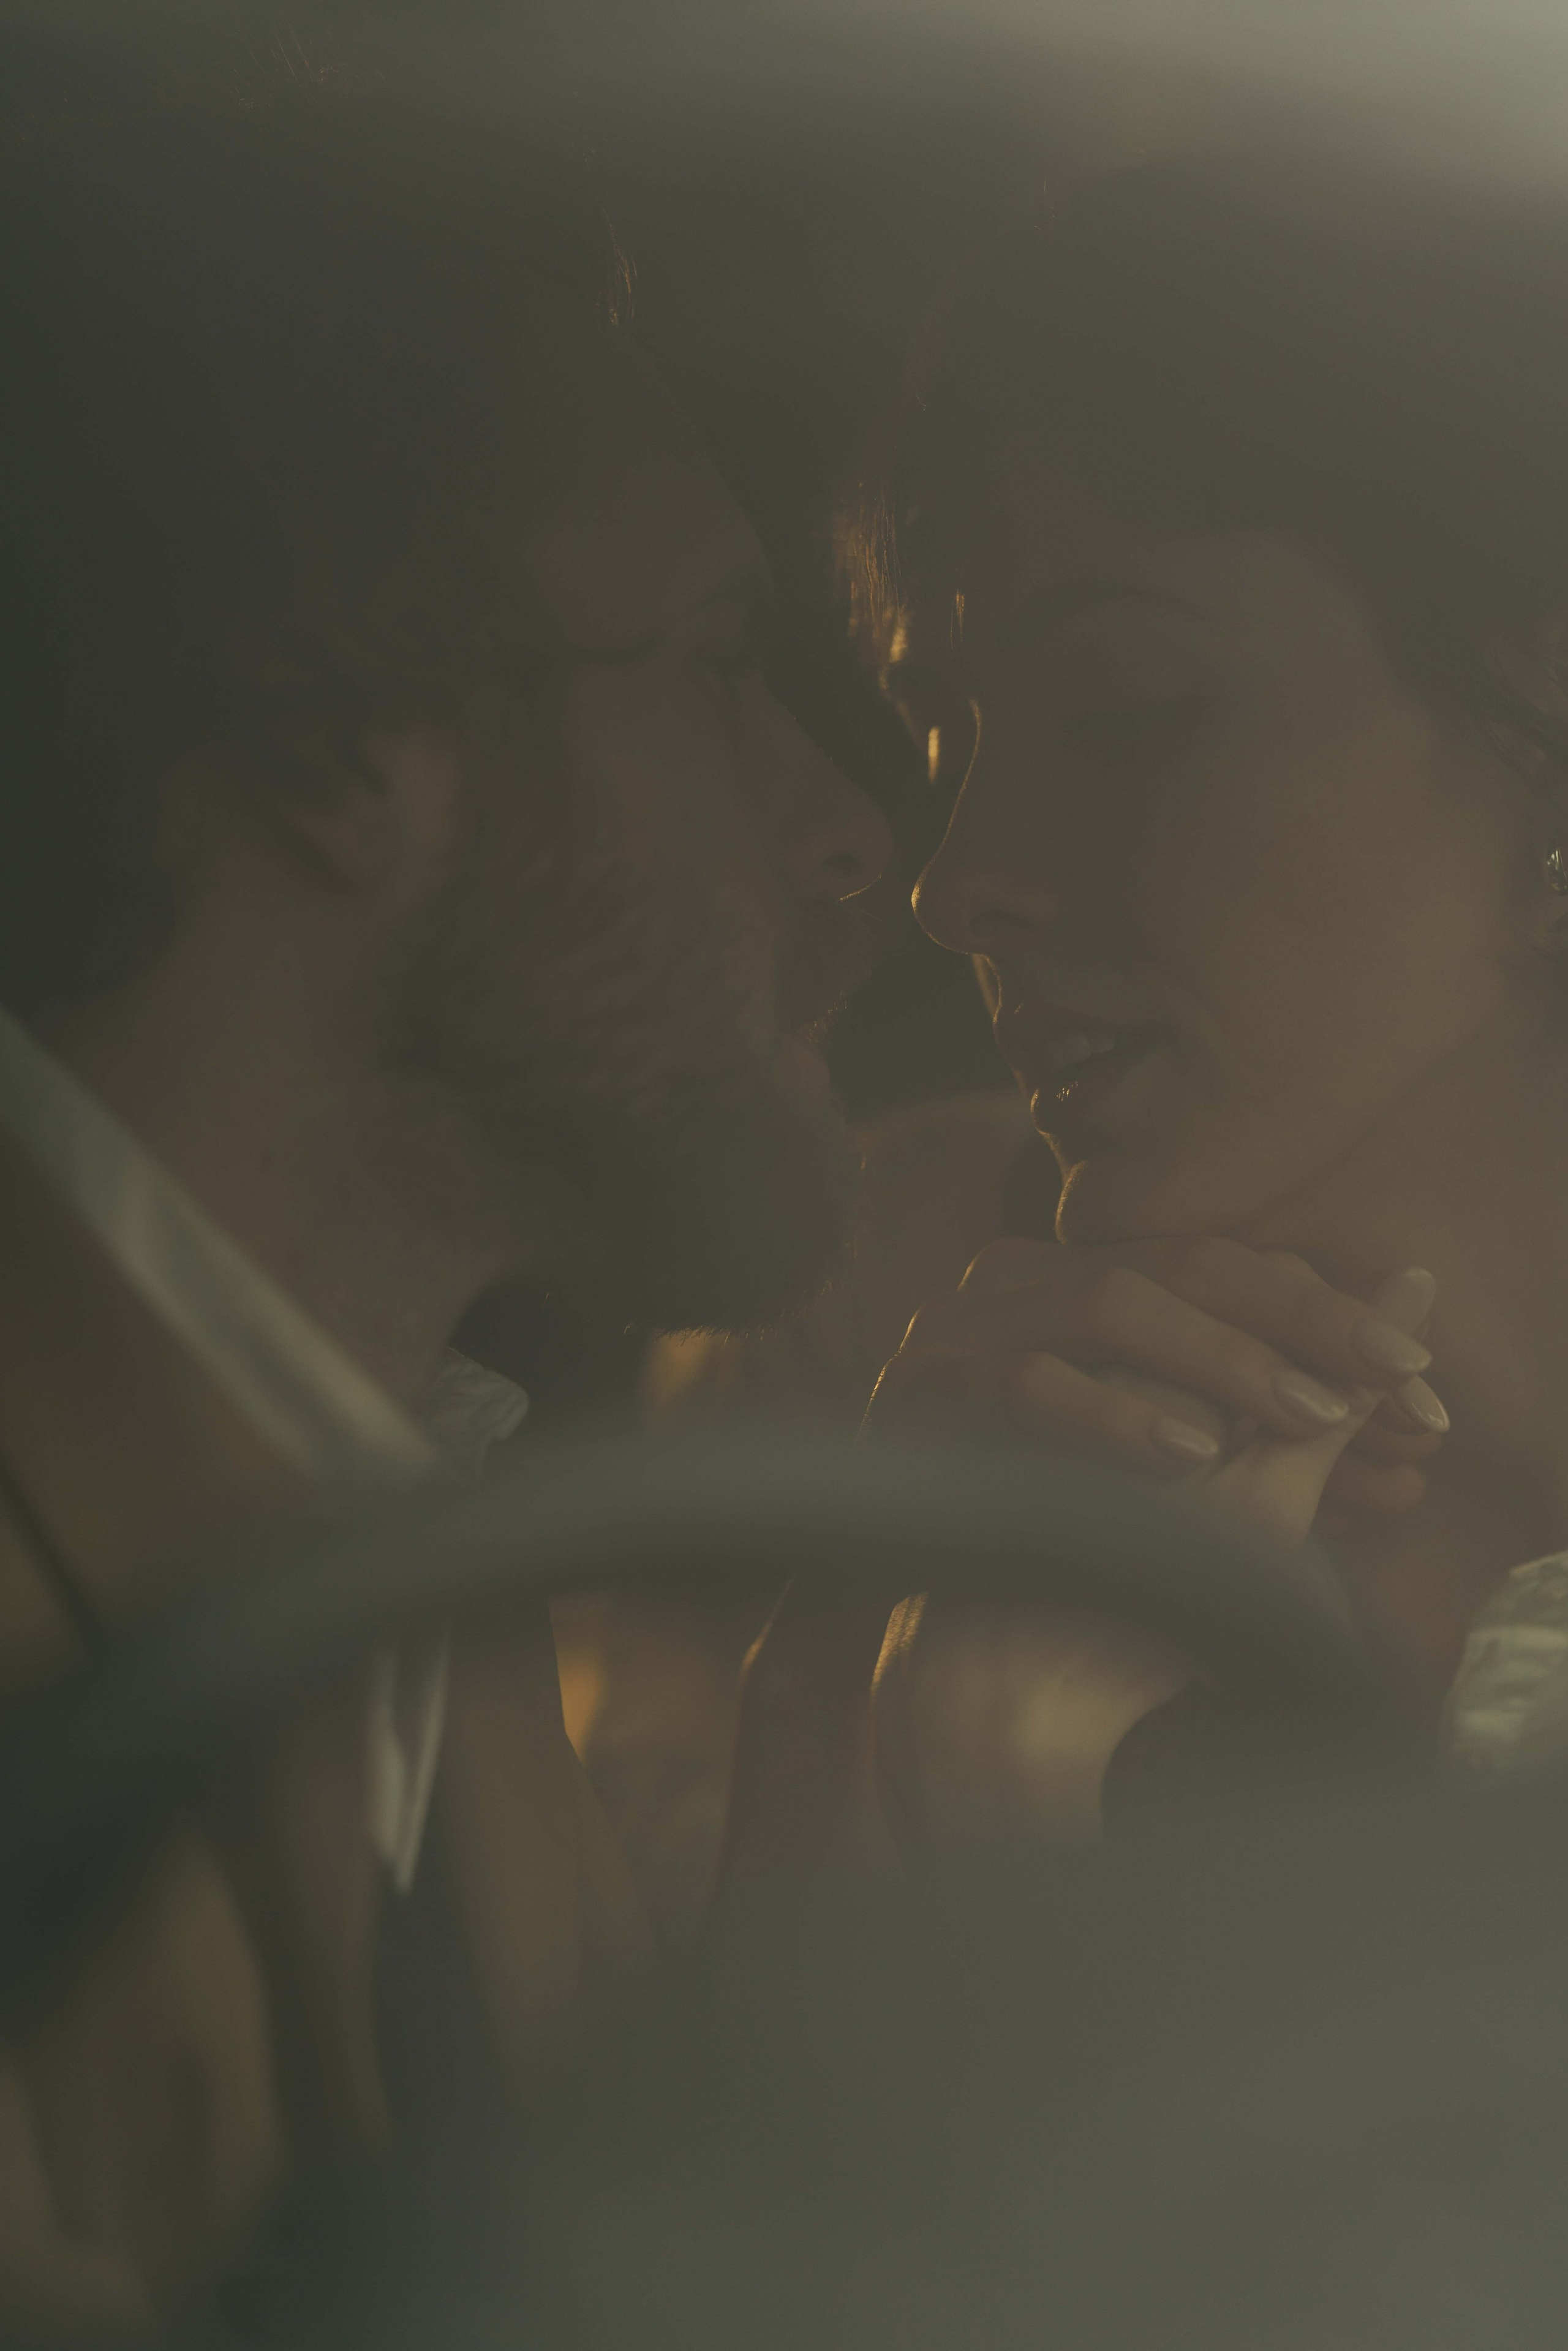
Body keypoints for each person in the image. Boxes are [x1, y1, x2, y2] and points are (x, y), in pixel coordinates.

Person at [0, 73, 890, 2328]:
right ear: (335, 728)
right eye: (712, 668)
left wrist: (863, 1829)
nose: (849, 829)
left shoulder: (398, 1561)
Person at [832, 151, 1568, 1803]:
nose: (954, 884)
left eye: (1124, 712)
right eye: (946, 739)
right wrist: (877, 1729)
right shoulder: (1024, 1573)